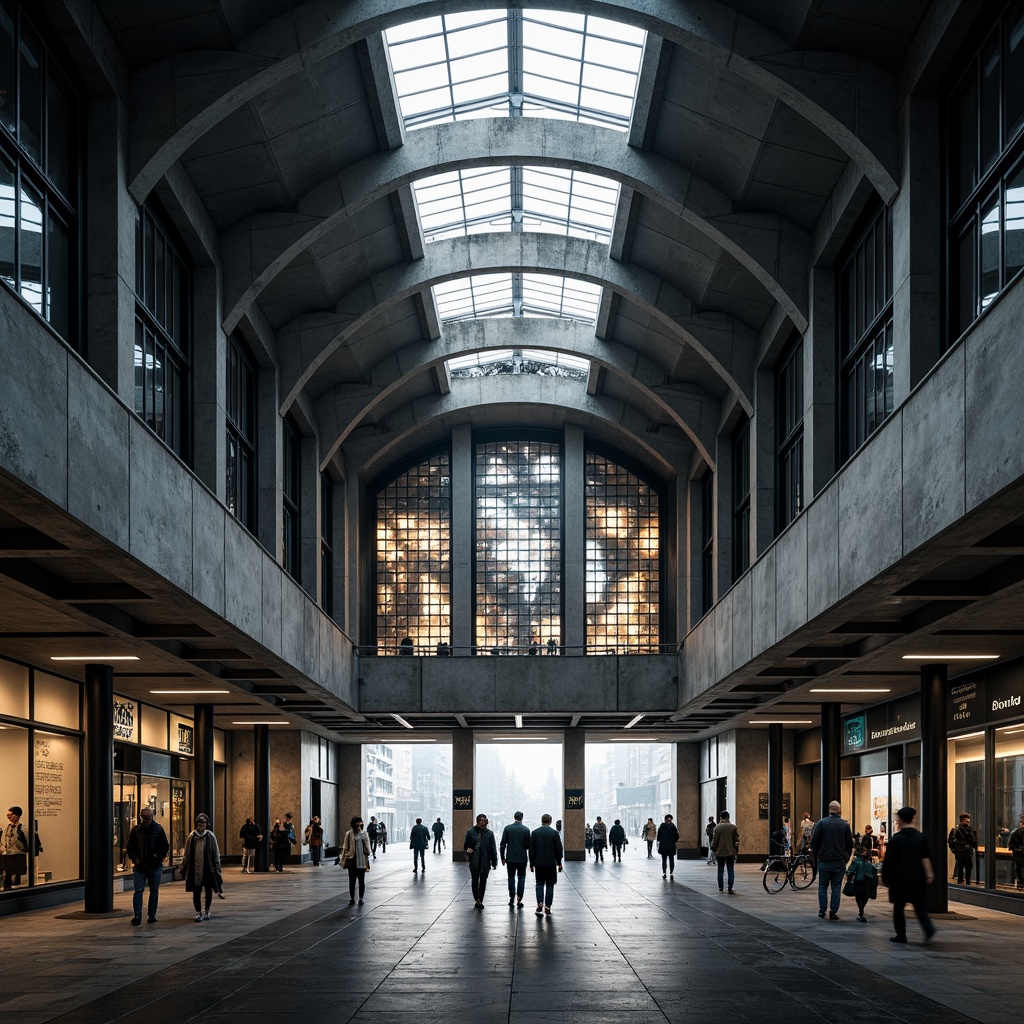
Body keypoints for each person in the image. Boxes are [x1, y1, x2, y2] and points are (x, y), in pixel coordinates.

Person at [882, 806, 936, 944]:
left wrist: (885, 877)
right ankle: (928, 928)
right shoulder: (921, 837)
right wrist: (929, 874)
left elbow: (889, 861)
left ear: (900, 820)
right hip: (917, 878)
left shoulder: (895, 840)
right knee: (919, 905)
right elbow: (925, 857)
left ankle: (901, 935)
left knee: (899, 907)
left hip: (899, 878)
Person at [811, 800, 854, 920]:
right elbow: (849, 844)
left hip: (824, 860)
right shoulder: (845, 825)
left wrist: (817, 855)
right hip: (839, 861)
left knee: (822, 885)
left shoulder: (821, 823)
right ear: (839, 810)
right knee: (836, 886)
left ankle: (822, 910)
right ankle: (833, 911)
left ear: (829, 810)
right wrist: (846, 857)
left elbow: (813, 842)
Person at [125, 806, 169, 925]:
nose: (146, 820)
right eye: (144, 817)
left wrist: (157, 857)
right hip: (140, 866)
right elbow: (130, 846)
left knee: (154, 891)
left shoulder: (158, 829)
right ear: (141, 817)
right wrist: (135, 858)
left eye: (148, 817)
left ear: (152, 816)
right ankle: (137, 915)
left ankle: (151, 914)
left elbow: (165, 846)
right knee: (138, 890)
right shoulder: (136, 830)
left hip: (154, 866)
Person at [181, 813, 222, 922]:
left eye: (203, 822)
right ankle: (198, 911)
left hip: (208, 867)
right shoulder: (192, 836)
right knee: (196, 890)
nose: (200, 824)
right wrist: (183, 866)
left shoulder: (210, 836)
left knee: (208, 890)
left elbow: (215, 852)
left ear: (206, 824)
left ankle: (207, 910)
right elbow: (187, 853)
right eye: (199, 822)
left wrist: (218, 867)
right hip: (195, 868)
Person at [529, 813, 563, 915]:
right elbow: (558, 849)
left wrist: (532, 863)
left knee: (539, 884)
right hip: (550, 864)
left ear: (541, 821)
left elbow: (532, 850)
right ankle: (548, 907)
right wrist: (559, 863)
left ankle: (540, 903)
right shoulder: (554, 833)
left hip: (539, 864)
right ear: (550, 821)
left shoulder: (535, 833)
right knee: (550, 885)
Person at [464, 813, 498, 909]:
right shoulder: (471, 832)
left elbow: (493, 848)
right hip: (474, 860)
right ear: (477, 821)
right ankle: (476, 898)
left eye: (484, 820)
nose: (482, 822)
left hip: (485, 861)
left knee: (483, 881)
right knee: (475, 880)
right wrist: (467, 850)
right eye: (480, 821)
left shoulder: (489, 834)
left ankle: (480, 900)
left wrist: (494, 861)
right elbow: (466, 845)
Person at [500, 810, 531, 907]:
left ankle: (511, 897)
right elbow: (529, 844)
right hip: (522, 858)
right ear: (522, 818)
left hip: (510, 858)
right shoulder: (526, 829)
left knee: (511, 877)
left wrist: (502, 857)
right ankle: (519, 898)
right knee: (521, 878)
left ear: (514, 817)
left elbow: (503, 844)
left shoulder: (507, 828)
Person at [341, 815, 371, 905]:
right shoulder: (349, 834)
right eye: (356, 825)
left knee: (361, 881)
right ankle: (352, 898)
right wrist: (343, 858)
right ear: (353, 825)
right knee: (352, 880)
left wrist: (367, 853)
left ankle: (361, 898)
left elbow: (367, 847)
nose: (358, 827)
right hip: (351, 860)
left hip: (361, 861)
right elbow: (345, 847)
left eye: (359, 825)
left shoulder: (364, 834)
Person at [0, 806, 30, 890]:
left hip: (18, 855)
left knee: (18, 875)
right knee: (8, 875)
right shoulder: (7, 828)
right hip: (9, 855)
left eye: (11, 815)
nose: (8, 817)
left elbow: (28, 842)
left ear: (17, 816)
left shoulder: (23, 828)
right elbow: (3, 841)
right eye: (8, 815)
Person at [846, 845, 878, 922]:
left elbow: (850, 871)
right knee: (865, 895)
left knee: (859, 896)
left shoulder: (857, 862)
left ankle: (861, 909)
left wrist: (849, 874)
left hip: (859, 880)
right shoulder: (869, 863)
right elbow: (874, 873)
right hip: (866, 881)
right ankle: (861, 909)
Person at [711, 811, 739, 892]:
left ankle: (720, 887)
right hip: (730, 852)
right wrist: (736, 850)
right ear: (728, 817)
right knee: (730, 869)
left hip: (720, 852)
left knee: (720, 869)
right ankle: (730, 887)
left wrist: (714, 849)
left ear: (721, 817)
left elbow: (714, 841)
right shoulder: (733, 827)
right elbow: (736, 840)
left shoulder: (717, 828)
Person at [947, 812, 978, 885]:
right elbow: (951, 841)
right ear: (962, 820)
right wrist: (956, 850)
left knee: (968, 867)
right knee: (962, 867)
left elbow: (973, 840)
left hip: (966, 852)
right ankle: (962, 881)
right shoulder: (956, 830)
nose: (967, 821)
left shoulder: (970, 830)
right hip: (961, 852)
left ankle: (967, 881)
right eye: (966, 820)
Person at [657, 813, 680, 879]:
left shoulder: (662, 826)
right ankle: (671, 873)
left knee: (664, 860)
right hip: (671, 846)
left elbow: (658, 836)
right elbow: (677, 836)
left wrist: (660, 840)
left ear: (665, 819)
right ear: (671, 820)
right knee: (671, 860)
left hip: (663, 846)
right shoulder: (673, 826)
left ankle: (664, 873)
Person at [1007, 814, 1024, 890]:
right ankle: (1020, 882)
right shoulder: (1014, 833)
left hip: (1019, 855)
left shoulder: (1014, 833)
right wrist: (1017, 848)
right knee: (1018, 870)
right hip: (1018, 856)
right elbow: (1010, 845)